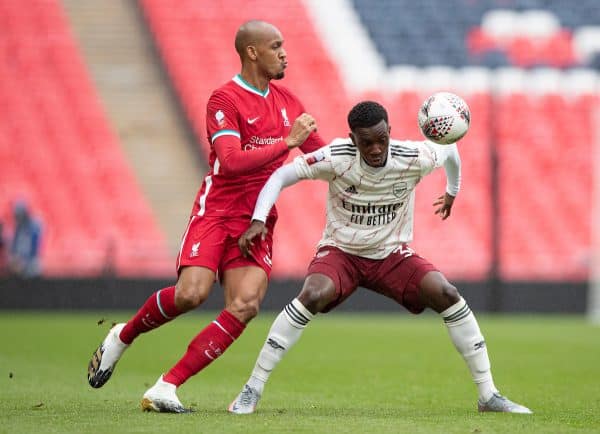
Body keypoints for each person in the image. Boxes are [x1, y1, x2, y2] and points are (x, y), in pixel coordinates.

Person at [228, 101, 532, 415]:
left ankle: (489, 395)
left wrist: (452, 190)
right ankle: (252, 388)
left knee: (447, 293)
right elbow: (281, 176)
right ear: (352, 139)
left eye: (381, 139)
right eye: (366, 142)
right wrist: (258, 220)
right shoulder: (335, 158)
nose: (375, 149)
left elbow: (449, 149)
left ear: (390, 132)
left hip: (390, 255)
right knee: (312, 294)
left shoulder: (413, 157)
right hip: (341, 252)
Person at [87, 19, 325, 413]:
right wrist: (287, 142)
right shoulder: (225, 99)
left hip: (257, 220)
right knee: (191, 294)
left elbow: (321, 156)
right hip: (216, 211)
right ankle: (123, 336)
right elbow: (230, 163)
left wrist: (372, 158)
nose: (284, 53)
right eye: (276, 46)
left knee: (245, 304)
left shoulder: (289, 103)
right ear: (252, 52)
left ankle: (167, 386)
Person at [8, 201, 42, 278]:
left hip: (31, 261)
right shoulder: (18, 228)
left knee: (32, 268)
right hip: (20, 262)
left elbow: (34, 246)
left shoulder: (33, 226)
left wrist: (25, 261)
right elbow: (14, 246)